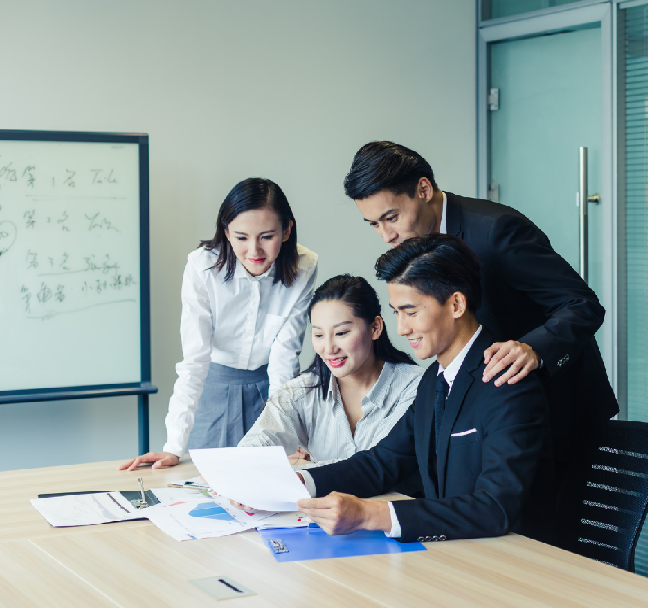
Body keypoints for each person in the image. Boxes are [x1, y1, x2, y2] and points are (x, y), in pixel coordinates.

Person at [342, 141, 618, 503]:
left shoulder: (497, 231)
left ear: (423, 190)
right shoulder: (419, 248)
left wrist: (533, 349)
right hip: (490, 405)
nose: (386, 236)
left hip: (555, 409)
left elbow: (581, 304)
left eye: (391, 218)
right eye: (374, 224)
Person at [289, 235, 549, 543]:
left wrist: (373, 515)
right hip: (454, 553)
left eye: (411, 312)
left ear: (456, 304)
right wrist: (300, 482)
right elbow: (382, 462)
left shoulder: (506, 381)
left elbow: (495, 507)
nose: (401, 329)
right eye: (397, 312)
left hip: (514, 561)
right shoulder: (433, 380)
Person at [120, 178, 318, 471]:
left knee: (273, 480)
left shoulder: (304, 266)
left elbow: (284, 358)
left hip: (272, 389)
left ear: (287, 230)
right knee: (205, 487)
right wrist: (173, 446)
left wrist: (287, 432)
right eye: (241, 237)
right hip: (212, 388)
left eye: (266, 236)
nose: (254, 250)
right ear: (226, 232)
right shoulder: (202, 267)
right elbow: (194, 361)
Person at [238, 274, 423, 469]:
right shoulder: (302, 392)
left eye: (341, 333)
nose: (328, 348)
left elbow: (378, 465)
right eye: (318, 334)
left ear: (375, 328)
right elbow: (259, 441)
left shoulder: (414, 387)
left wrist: (304, 469)